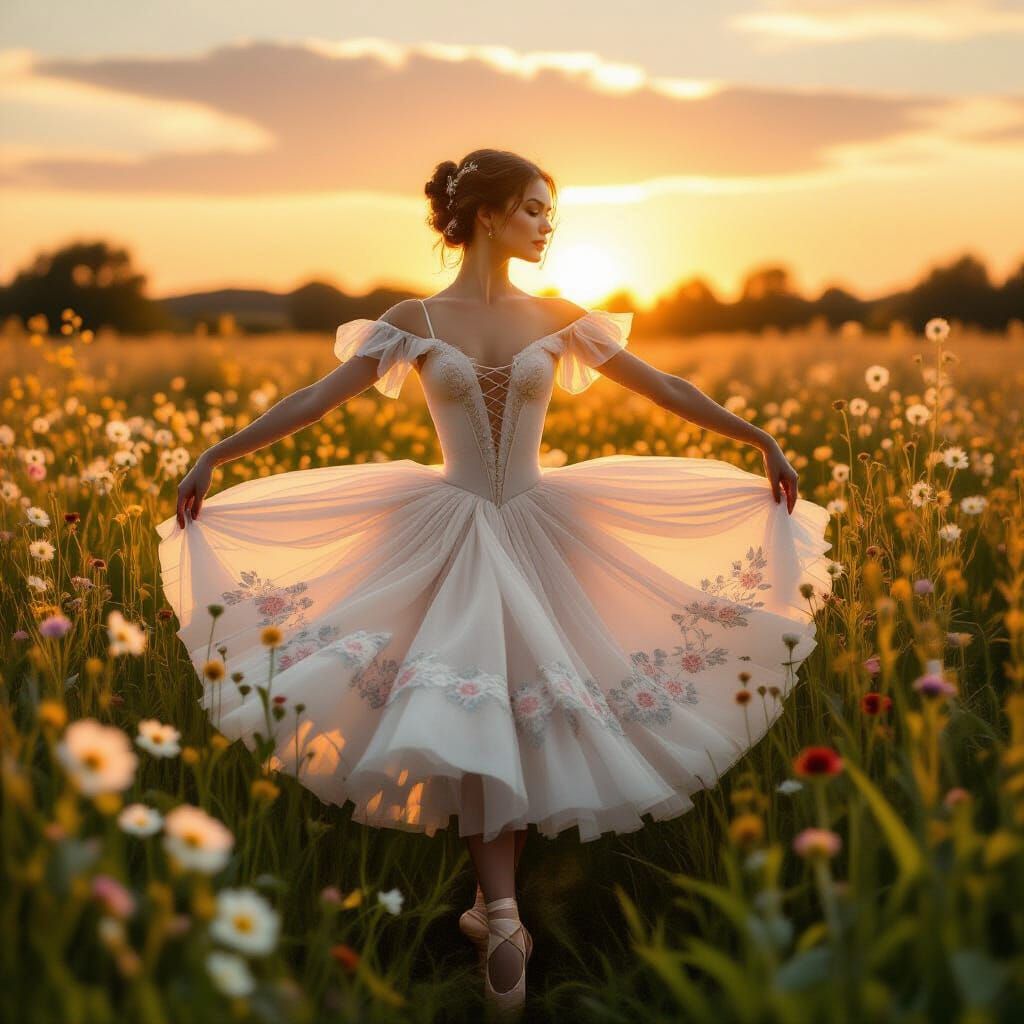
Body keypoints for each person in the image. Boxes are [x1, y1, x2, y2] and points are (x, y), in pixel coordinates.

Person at [157, 148, 832, 1015]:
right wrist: (216, 454)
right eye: (534, 209)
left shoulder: (561, 316)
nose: (548, 226)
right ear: (485, 215)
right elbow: (314, 401)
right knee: (478, 701)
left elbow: (663, 385)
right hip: (448, 533)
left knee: (511, 706)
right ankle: (505, 918)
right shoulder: (411, 320)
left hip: (547, 531)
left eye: (551, 212)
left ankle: (495, 911)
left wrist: (757, 439)